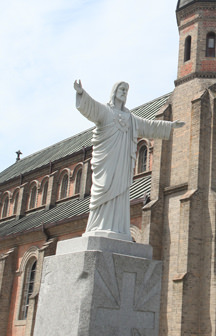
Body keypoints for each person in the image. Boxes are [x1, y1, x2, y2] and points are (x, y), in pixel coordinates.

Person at [74, 80, 184, 240]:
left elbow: (150, 126)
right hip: (107, 162)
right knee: (104, 188)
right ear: (114, 91)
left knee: (120, 194)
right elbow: (91, 107)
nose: (124, 92)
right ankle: (100, 225)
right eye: (121, 89)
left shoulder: (131, 119)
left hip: (123, 164)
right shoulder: (106, 111)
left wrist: (170, 125)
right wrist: (81, 93)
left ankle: (117, 228)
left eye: (126, 90)